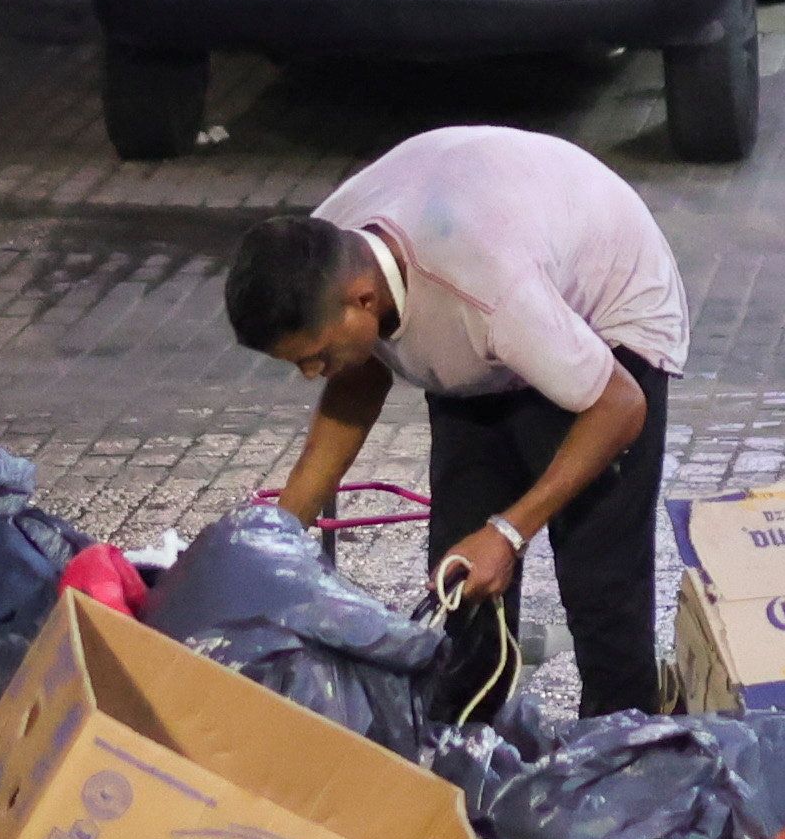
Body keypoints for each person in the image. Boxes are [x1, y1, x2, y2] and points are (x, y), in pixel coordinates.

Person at [225, 126, 687, 717]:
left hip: (603, 328)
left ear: (364, 300)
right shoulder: (325, 254)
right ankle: (466, 753)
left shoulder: (487, 289)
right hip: (492, 327)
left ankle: (629, 757)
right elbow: (357, 379)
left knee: (600, 587)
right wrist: (279, 537)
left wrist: (511, 532)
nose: (312, 375)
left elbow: (620, 408)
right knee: (458, 581)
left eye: (315, 356)